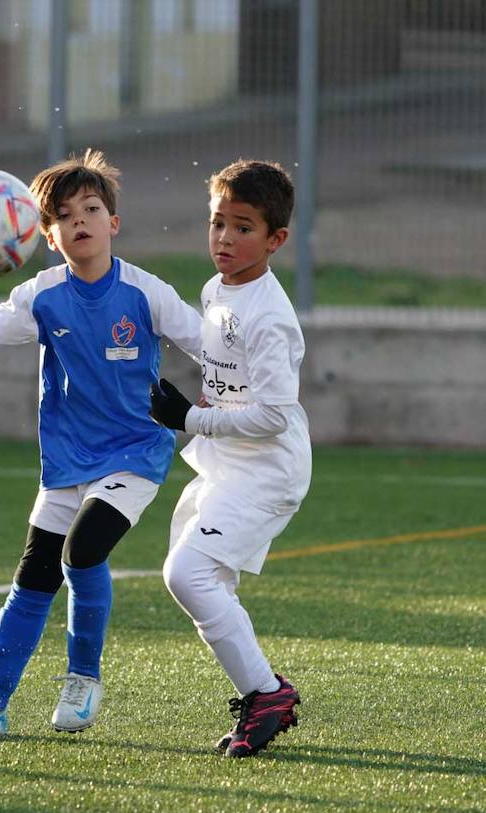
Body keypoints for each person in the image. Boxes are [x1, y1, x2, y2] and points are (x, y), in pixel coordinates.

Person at [0, 150, 201, 737]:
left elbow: (202, 341)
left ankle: (83, 679)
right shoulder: (43, 296)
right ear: (47, 235)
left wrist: (221, 394)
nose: (80, 221)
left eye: (91, 209)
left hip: (136, 452)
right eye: (65, 216)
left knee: (83, 551)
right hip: (66, 461)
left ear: (113, 223)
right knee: (35, 573)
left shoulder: (145, 293)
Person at [148, 160, 311, 758]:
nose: (224, 238)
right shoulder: (217, 289)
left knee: (186, 574)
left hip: (268, 469)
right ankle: (263, 695)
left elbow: (272, 413)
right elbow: (220, 364)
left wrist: (189, 419)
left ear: (275, 240)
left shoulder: (270, 317)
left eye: (243, 227)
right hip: (227, 461)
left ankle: (266, 692)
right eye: (217, 223)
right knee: (200, 579)